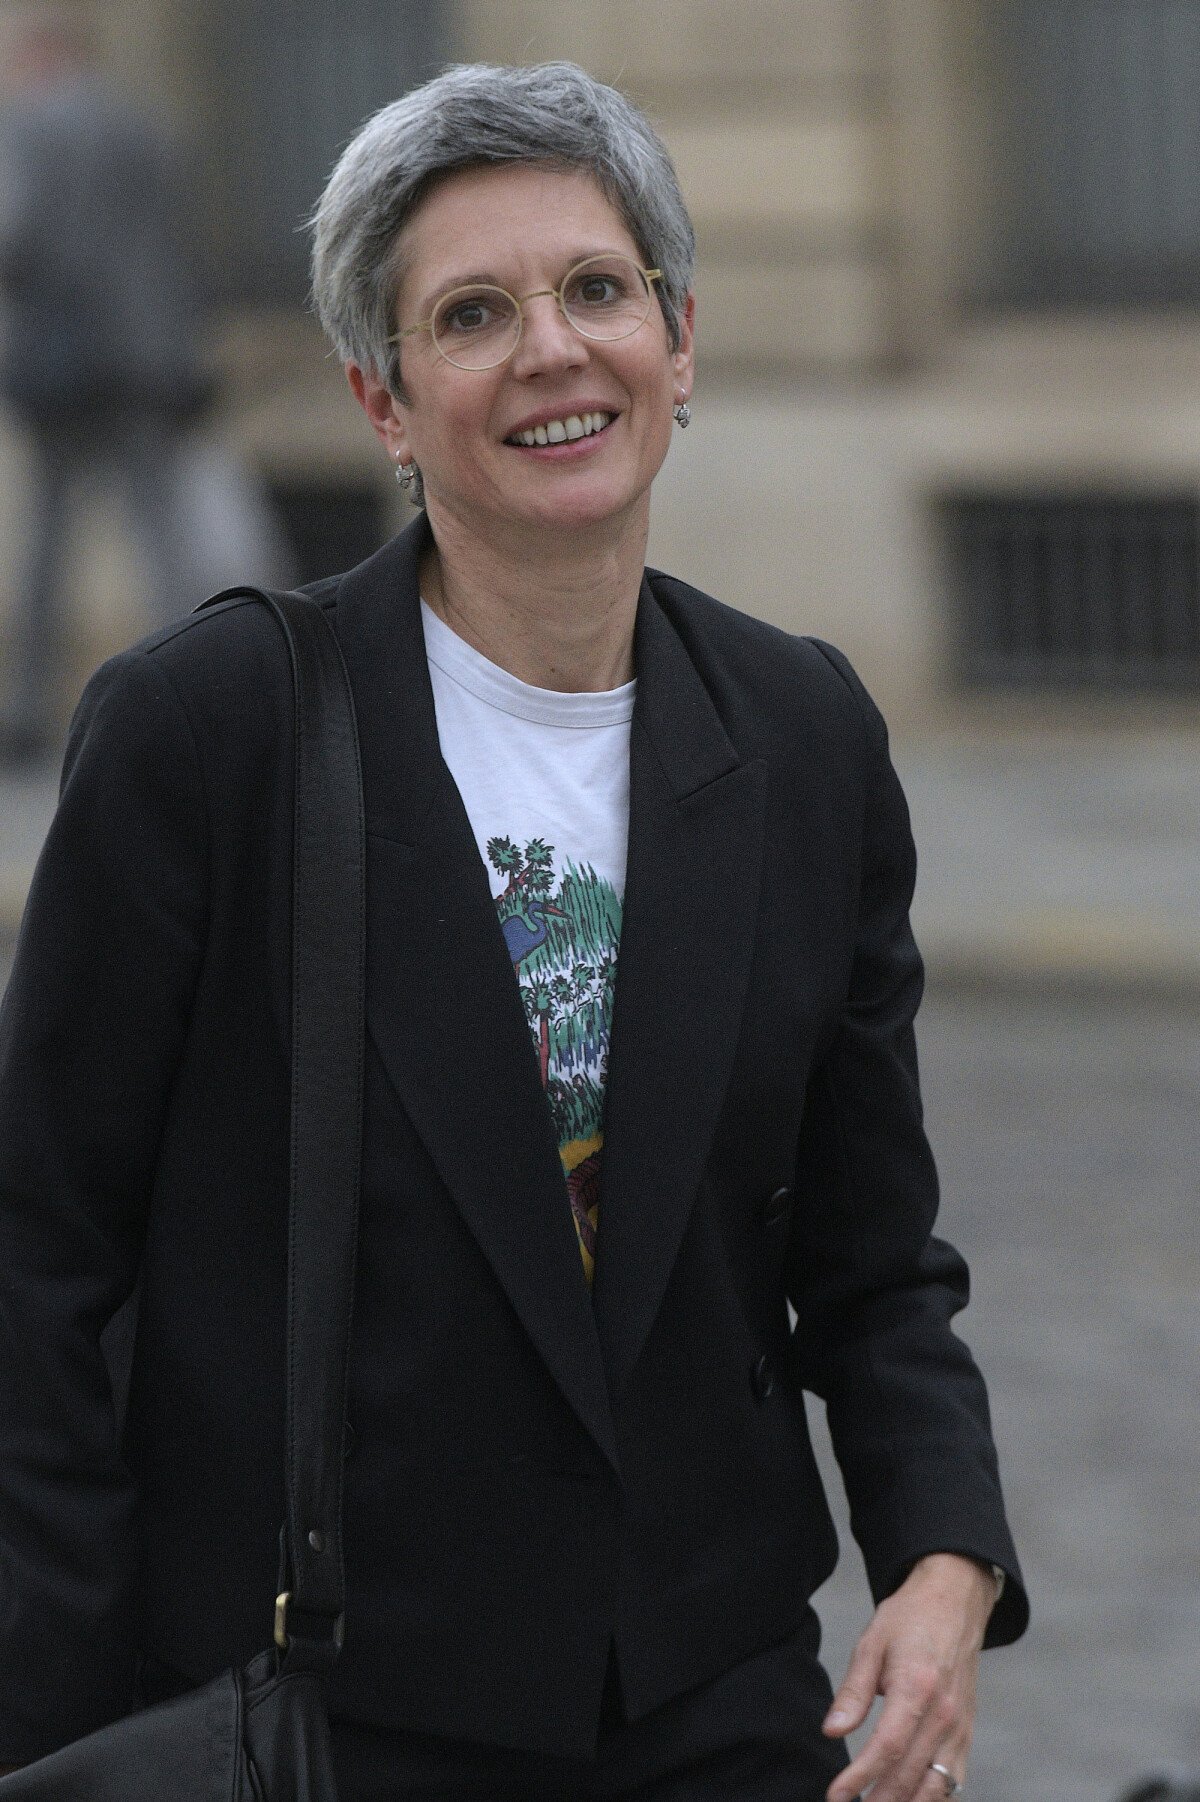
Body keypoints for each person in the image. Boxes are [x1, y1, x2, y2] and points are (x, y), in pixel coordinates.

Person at [0, 61, 1027, 1801]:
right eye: (471, 313)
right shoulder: (211, 728)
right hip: (321, 1707)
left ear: (679, 344)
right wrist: (69, 1729)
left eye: (598, 289)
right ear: (383, 399)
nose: (553, 349)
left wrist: (947, 1557)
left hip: (714, 1698)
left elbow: (872, 1253)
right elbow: (37, 1271)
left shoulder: (802, 732)